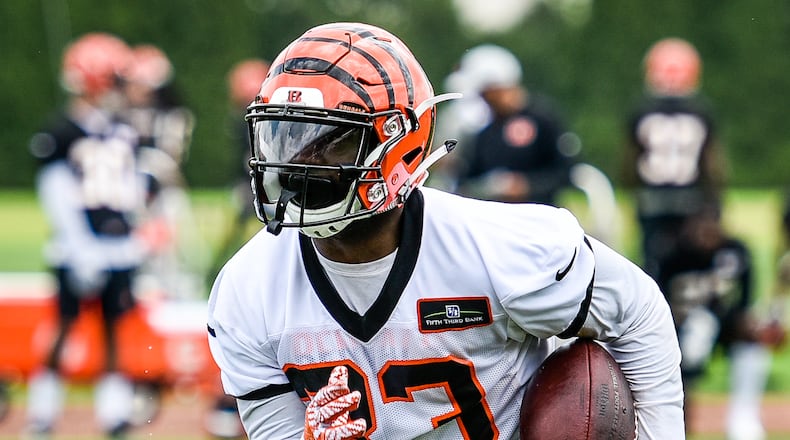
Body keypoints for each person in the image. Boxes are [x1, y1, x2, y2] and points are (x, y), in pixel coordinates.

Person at [206, 22, 684, 440]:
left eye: (328, 142)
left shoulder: (502, 249)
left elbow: (638, 314)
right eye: (284, 137)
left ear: (400, 143)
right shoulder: (246, 291)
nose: (296, 164)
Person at [26, 32, 150, 438]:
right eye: (114, 79)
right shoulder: (62, 131)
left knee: (114, 330)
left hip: (118, 247)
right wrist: (80, 246)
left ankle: (112, 414)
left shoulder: (123, 130)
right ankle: (42, 412)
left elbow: (130, 189)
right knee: (64, 325)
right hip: (76, 248)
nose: (121, 89)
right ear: (95, 80)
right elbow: (56, 194)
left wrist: (140, 234)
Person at [657, 205, 785, 439]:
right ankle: (678, 420)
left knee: (752, 342)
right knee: (695, 334)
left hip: (726, 323)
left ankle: (743, 418)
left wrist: (746, 324)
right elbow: (658, 302)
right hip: (684, 328)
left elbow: (744, 303)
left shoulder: (736, 252)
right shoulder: (672, 255)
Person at [624, 37, 727, 281]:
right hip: (692, 200)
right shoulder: (701, 110)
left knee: (652, 269)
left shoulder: (642, 110)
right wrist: (715, 206)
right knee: (691, 270)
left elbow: (630, 165)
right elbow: (712, 165)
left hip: (652, 200)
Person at [453, 44, 576, 205]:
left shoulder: (542, 117)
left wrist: (527, 186)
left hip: (537, 214)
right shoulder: (484, 127)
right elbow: (466, 178)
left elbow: (565, 172)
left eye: (487, 93)